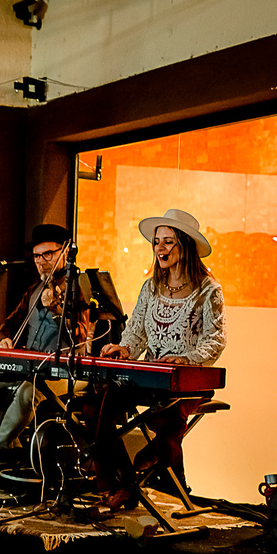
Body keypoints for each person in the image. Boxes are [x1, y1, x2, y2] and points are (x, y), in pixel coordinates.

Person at [93, 209, 226, 510]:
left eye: (168, 241)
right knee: (103, 402)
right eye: (157, 242)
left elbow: (216, 340)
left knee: (169, 413)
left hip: (188, 380)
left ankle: (157, 460)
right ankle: (124, 480)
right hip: (152, 375)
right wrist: (124, 349)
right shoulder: (150, 287)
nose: (160, 248)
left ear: (185, 246)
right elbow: (136, 333)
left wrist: (186, 360)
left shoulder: (208, 290)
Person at [0, 224, 92, 479]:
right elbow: (8, 324)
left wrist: (57, 310)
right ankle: (9, 449)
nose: (42, 262)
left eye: (48, 255)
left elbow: (80, 333)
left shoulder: (79, 287)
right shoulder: (33, 291)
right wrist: (4, 339)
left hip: (67, 373)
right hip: (30, 367)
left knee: (28, 391)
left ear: (65, 252)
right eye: (37, 256)